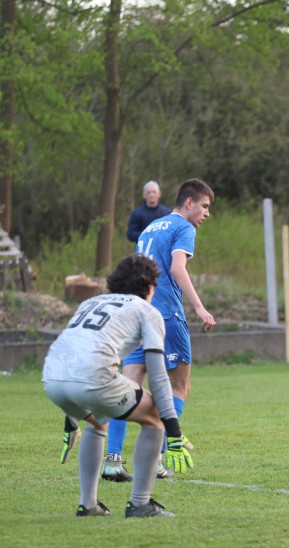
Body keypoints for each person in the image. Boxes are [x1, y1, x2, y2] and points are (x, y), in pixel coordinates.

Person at [42, 254, 194, 517]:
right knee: (154, 415)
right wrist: (173, 429)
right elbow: (158, 377)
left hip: (51, 377)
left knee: (98, 420)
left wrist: (71, 418)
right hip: (93, 377)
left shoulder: (90, 302)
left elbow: (72, 351)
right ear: (149, 286)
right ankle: (140, 504)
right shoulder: (147, 310)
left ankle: (88, 505)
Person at [99, 178, 216, 482]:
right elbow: (178, 269)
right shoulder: (184, 228)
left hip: (138, 313)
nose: (206, 214)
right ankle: (158, 457)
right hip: (167, 313)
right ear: (188, 202)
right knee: (179, 388)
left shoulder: (152, 227)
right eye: (204, 206)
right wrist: (200, 307)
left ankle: (112, 460)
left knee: (128, 386)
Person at [126, 180, 170, 244]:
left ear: (159, 194)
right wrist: (148, 235)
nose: (151, 195)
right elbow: (130, 234)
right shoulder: (137, 214)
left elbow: (171, 232)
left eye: (154, 192)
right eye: (148, 192)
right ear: (144, 195)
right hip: (143, 251)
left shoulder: (167, 213)